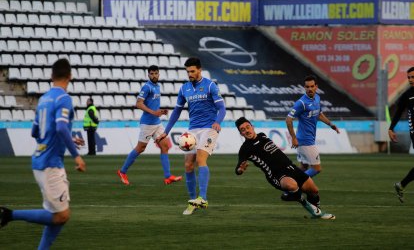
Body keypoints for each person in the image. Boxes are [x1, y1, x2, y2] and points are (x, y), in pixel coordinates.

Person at [0, 58, 86, 249]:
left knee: (57, 216)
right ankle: (8, 214)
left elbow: (35, 132)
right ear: (70, 76)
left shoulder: (44, 100)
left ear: (51, 76)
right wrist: (76, 156)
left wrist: (69, 140)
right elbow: (61, 128)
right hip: (50, 164)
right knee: (61, 215)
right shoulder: (64, 98)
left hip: (41, 160)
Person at [156, 57, 226, 215]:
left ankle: (203, 198)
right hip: (192, 130)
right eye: (188, 72)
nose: (190, 74)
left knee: (201, 160)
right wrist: (166, 131)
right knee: (188, 165)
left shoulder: (210, 85)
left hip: (209, 128)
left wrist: (217, 122)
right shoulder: (184, 89)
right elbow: (176, 112)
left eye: (193, 71)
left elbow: (222, 108)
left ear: (200, 70)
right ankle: (193, 201)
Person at [235, 117, 335, 220]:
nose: (247, 130)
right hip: (276, 175)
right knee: (291, 185)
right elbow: (238, 168)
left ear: (252, 127)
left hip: (291, 168)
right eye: (243, 130)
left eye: (248, 127)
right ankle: (313, 210)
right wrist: (240, 170)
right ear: (241, 133)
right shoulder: (245, 149)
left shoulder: (262, 135)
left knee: (314, 190)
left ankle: (310, 208)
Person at [117, 65, 182, 185]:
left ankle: (168, 176)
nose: (154, 75)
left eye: (156, 73)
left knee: (165, 146)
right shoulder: (147, 87)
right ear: (148, 75)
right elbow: (138, 103)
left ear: (159, 74)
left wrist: (161, 111)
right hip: (147, 124)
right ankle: (122, 171)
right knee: (140, 148)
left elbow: (152, 105)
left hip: (157, 123)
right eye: (152, 74)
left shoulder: (157, 86)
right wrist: (154, 112)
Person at [286, 75, 339, 178]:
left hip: (309, 139)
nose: (309, 89)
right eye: (307, 87)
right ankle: (293, 187)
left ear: (316, 86)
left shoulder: (317, 98)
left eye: (311, 86)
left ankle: (290, 187)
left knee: (303, 167)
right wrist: (293, 138)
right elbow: (288, 119)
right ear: (304, 87)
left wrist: (331, 124)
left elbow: (319, 114)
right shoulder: (301, 103)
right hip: (305, 141)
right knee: (316, 168)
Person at [389, 66, 414, 203]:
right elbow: (398, 112)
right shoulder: (407, 95)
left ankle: (401, 185)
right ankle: (401, 185)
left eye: (413, 77)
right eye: (409, 77)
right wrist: (391, 128)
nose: (410, 80)